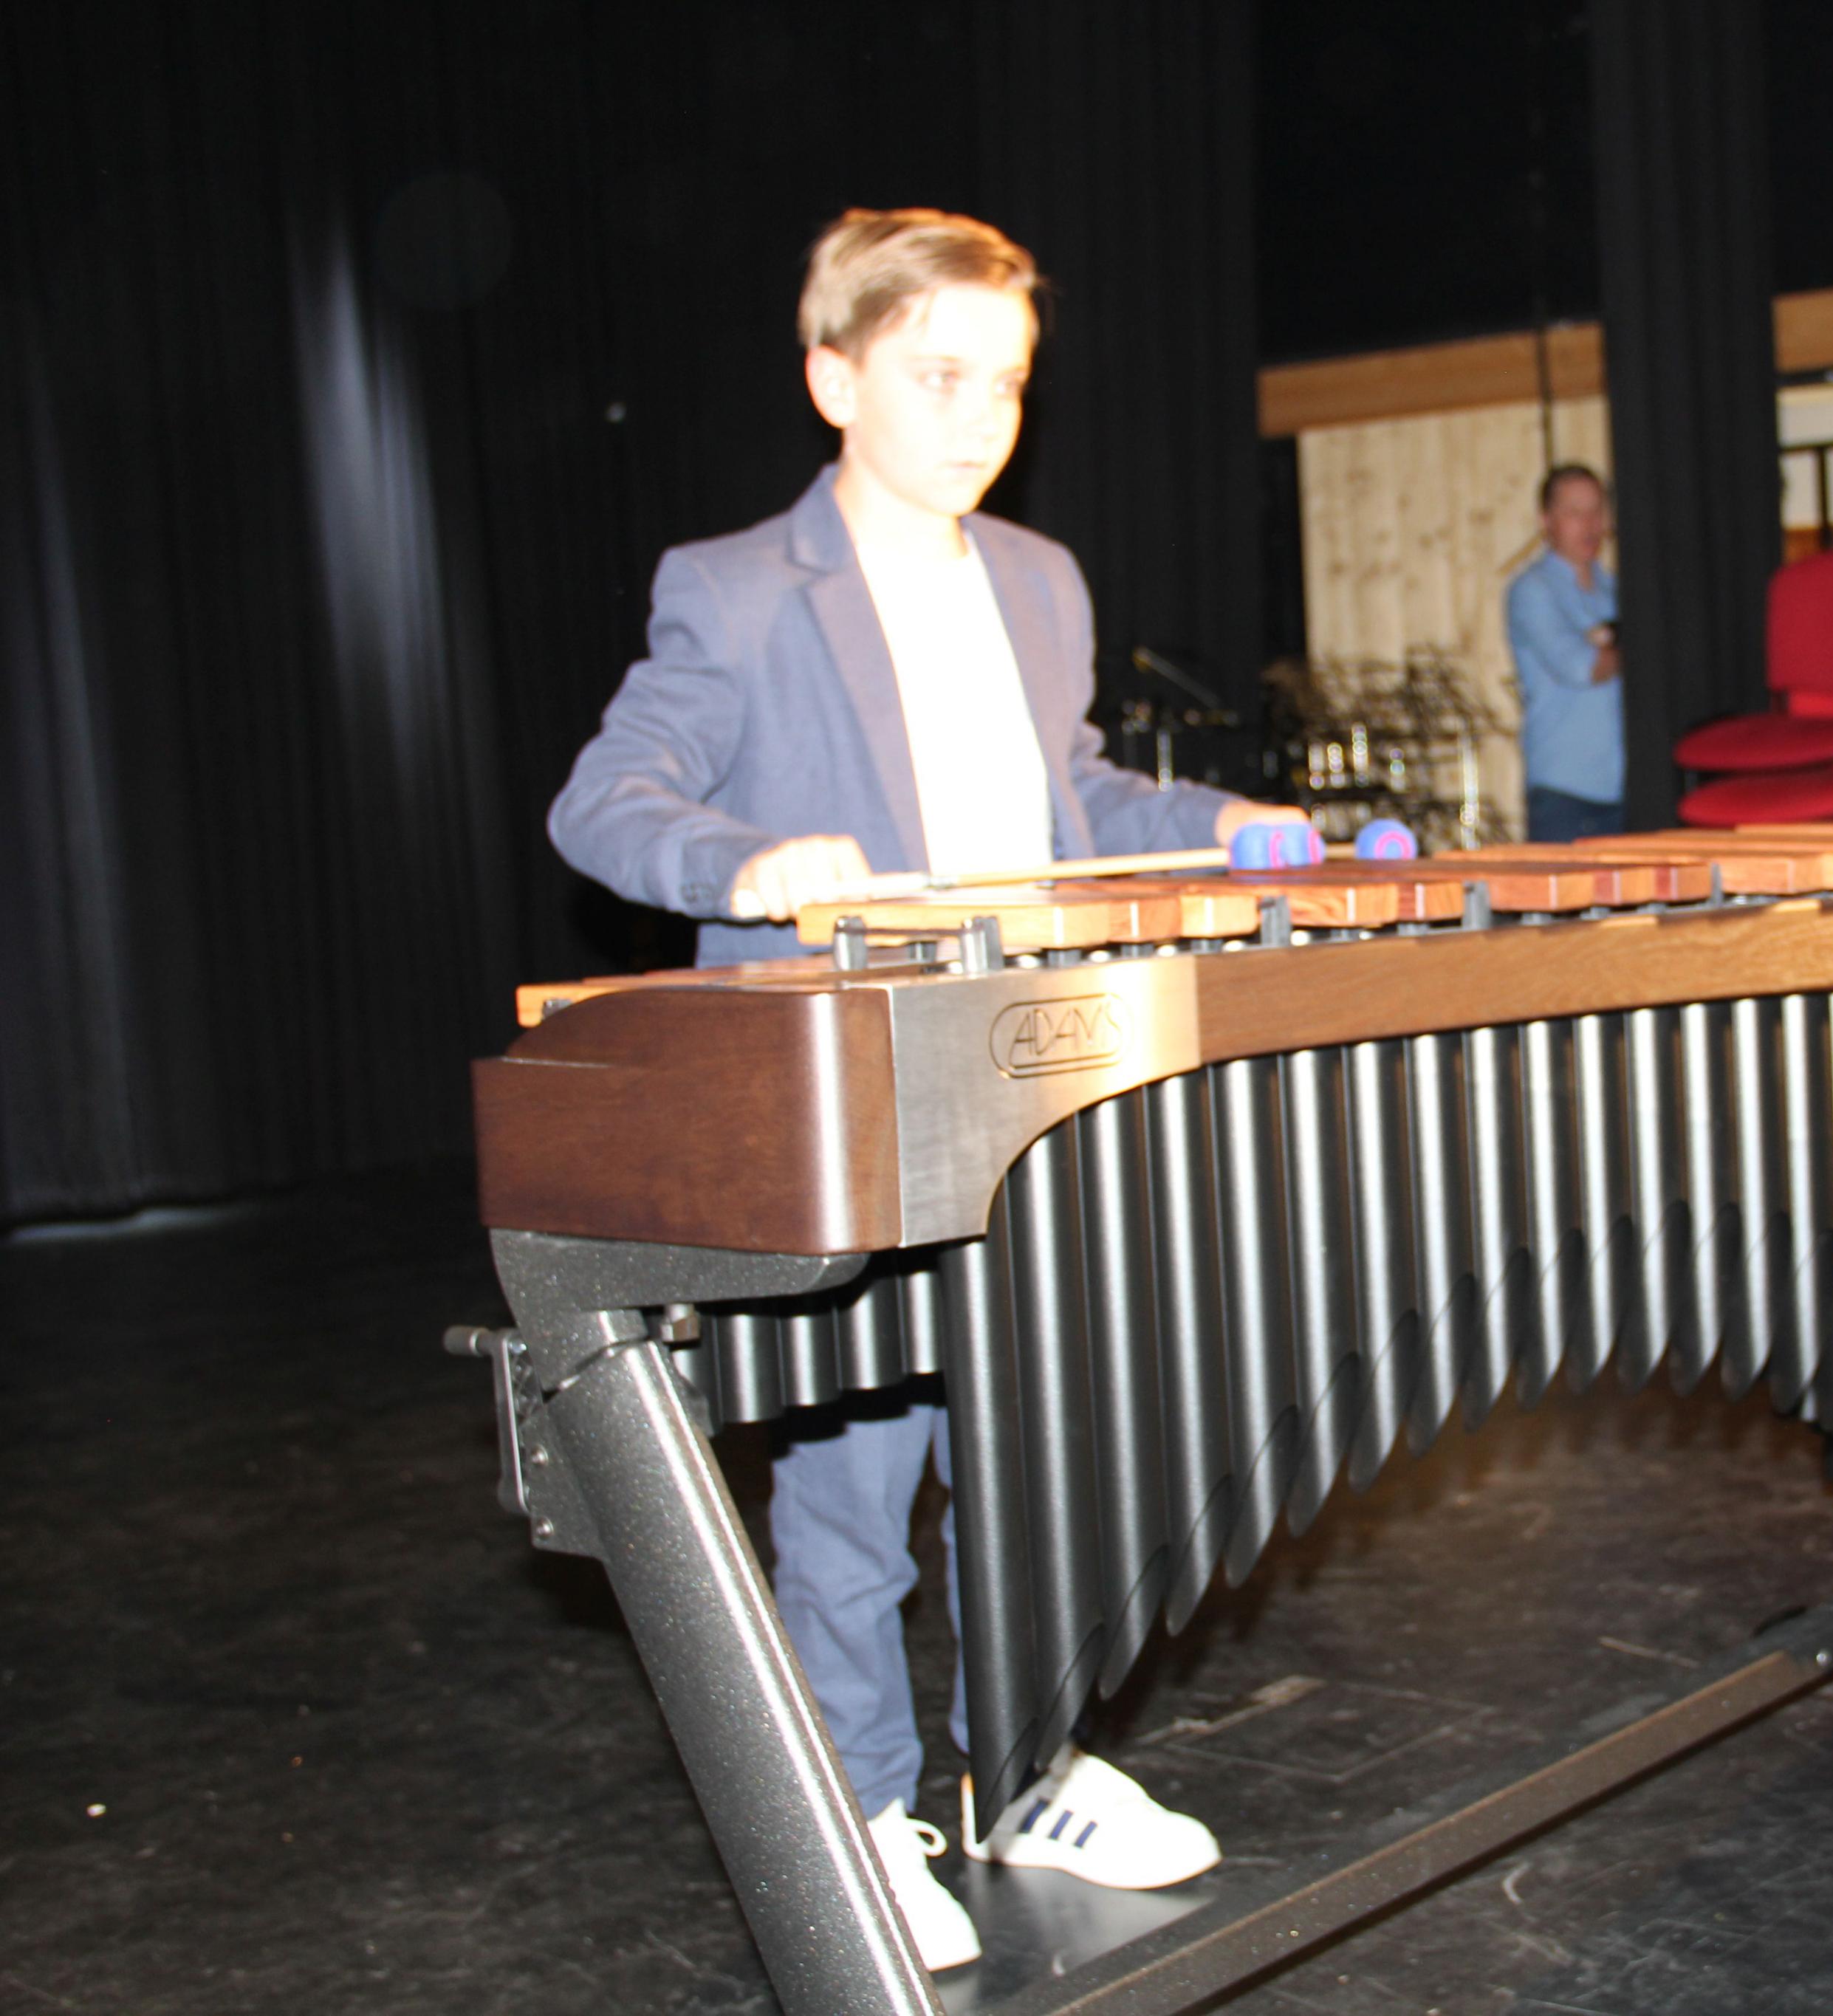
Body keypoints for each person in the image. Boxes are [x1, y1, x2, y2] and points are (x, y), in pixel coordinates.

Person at [548, 207, 1302, 1971]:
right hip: (852, 1092)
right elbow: (604, 802)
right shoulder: (736, 588)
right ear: (834, 378)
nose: (981, 417)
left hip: (1029, 1075)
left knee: (1036, 1460)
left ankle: (1028, 1769)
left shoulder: (1038, 580)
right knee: (855, 1483)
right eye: (938, 376)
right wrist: (746, 863)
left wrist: (1225, 826)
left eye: (1008, 383)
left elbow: (1071, 805)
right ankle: (866, 1811)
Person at [1506, 463, 1623, 841]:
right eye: (1574, 512)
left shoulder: (1616, 589)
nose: (1589, 524)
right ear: (1546, 522)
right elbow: (1581, 667)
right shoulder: (1533, 590)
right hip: (1564, 793)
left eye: (1596, 511)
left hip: (1624, 789)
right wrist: (1637, 645)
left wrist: (1615, 642)